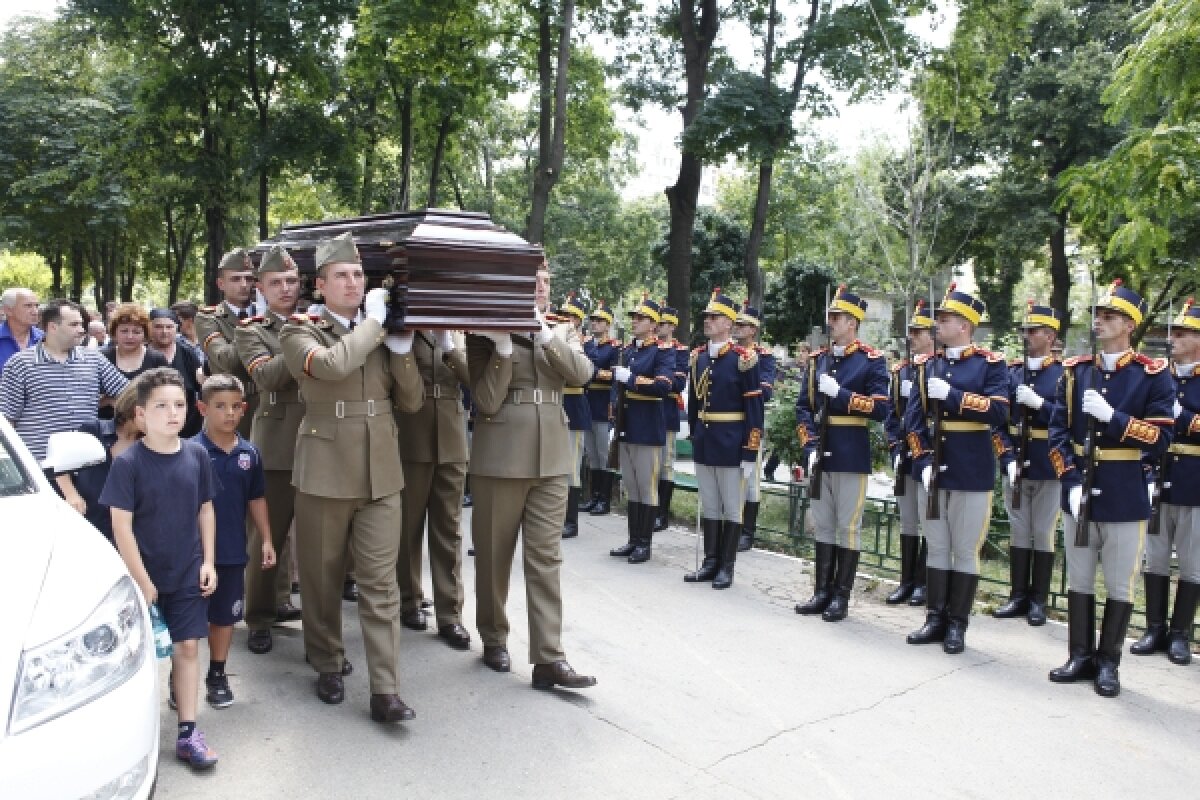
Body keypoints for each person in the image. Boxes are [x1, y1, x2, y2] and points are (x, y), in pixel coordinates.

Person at [279, 231, 424, 723]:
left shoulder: (379, 331)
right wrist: (378, 326)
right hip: (324, 469)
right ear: (320, 285)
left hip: (381, 470)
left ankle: (386, 688)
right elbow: (333, 365)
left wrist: (402, 349)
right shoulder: (300, 330)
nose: (353, 282)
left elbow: (412, 401)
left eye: (359, 274)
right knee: (320, 576)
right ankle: (327, 660)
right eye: (342, 275)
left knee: (381, 584)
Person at [465, 263, 598, 690]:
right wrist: (504, 353)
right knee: (493, 556)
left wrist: (544, 336)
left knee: (545, 558)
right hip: (501, 455)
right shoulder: (485, 332)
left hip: (553, 457)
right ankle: (494, 637)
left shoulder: (560, 330)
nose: (542, 290)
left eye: (545, 284)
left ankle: (548, 658)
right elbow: (484, 401)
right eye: (533, 283)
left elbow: (582, 374)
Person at [1047, 279, 1174, 697]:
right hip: (1081, 488)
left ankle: (1109, 663)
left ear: (1129, 326)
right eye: (1098, 315)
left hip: (1124, 492)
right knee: (1079, 578)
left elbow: (1161, 439)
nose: (1100, 322)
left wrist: (1114, 418)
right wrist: (1068, 479)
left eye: (1110, 316)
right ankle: (1080, 655)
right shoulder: (1076, 372)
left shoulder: (1151, 376)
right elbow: (1058, 433)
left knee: (1119, 583)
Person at [100, 367, 219, 769]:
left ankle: (188, 732)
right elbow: (122, 526)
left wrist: (209, 562)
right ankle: (131, 735)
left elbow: (206, 509)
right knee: (142, 658)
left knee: (188, 647)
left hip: (187, 570)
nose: (173, 413)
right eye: (162, 406)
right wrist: (142, 580)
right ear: (140, 415)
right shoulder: (128, 463)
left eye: (180, 405)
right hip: (143, 577)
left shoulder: (198, 454)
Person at [903, 284, 1008, 654]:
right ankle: (935, 617)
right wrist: (922, 460)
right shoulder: (927, 366)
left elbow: (999, 411)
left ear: (965, 325)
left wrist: (955, 398)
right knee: (936, 546)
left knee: (964, 549)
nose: (937, 326)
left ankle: (957, 624)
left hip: (971, 469)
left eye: (944, 320)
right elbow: (913, 421)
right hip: (934, 469)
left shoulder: (991, 365)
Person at [794, 286, 890, 621]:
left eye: (837, 317)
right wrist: (808, 446)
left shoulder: (871, 361)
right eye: (830, 316)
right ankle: (821, 591)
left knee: (848, 527)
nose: (831, 322)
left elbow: (881, 409)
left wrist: (844, 395)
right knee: (822, 525)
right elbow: (802, 408)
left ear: (853, 322)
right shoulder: (819, 360)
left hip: (851, 453)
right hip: (822, 452)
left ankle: (841, 597)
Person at [234, 244, 306, 653]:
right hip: (277, 444)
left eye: (291, 281)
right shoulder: (251, 330)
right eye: (276, 282)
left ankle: (296, 608)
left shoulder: (315, 322)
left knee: (314, 542)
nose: (285, 288)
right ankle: (258, 615)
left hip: (320, 442)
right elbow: (269, 378)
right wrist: (305, 350)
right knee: (267, 536)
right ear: (260, 287)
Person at [194, 374, 275, 709]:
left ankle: (217, 673)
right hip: (192, 554)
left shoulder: (249, 453)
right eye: (220, 406)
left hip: (231, 550)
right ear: (202, 408)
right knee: (188, 619)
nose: (229, 413)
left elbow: (256, 499)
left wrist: (267, 539)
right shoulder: (189, 451)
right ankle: (178, 678)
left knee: (224, 618)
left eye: (236, 406)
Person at [394, 327, 473, 647]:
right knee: (407, 528)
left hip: (452, 437)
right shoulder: (402, 330)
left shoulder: (457, 333)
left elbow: (473, 378)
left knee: (448, 530)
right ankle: (409, 599)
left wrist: (449, 344)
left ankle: (450, 614)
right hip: (412, 435)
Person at [1132, 297, 1200, 665]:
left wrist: (1184, 417)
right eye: (1173, 332)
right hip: (1158, 479)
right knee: (1154, 557)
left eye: (1184, 332)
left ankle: (1180, 635)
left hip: (1194, 484)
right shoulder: (1160, 377)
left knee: (1192, 562)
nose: (1173, 338)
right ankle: (1154, 627)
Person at [683, 289, 764, 590]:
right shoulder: (699, 358)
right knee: (711, 505)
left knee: (732, 507)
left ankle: (726, 567)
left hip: (732, 442)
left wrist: (750, 450)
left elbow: (754, 408)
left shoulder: (744, 359)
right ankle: (709, 561)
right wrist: (694, 434)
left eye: (714, 317)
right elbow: (694, 402)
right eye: (706, 316)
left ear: (729, 324)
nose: (708, 321)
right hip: (705, 440)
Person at [992, 301, 1064, 626]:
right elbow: (997, 422)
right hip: (1017, 463)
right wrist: (1005, 457)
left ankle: (1039, 601)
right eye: (1025, 330)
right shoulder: (1012, 372)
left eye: (1033, 330)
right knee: (1019, 532)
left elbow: (1068, 421)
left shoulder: (1062, 376)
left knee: (1042, 532)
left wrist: (1042, 406)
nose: (1027, 335)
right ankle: (1018, 595)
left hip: (1048, 464)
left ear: (1050, 336)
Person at [0, 299, 128, 461]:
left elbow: (128, 394)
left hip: (87, 462)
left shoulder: (93, 359)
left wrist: (106, 401)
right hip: (41, 462)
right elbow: (7, 418)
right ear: (53, 327)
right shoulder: (20, 363)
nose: (82, 330)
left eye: (81, 324)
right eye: (74, 325)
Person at [608, 296, 674, 563]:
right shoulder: (630, 351)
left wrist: (632, 379)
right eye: (634, 317)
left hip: (647, 427)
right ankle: (632, 539)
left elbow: (663, 386)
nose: (634, 321)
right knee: (632, 486)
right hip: (627, 426)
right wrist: (615, 423)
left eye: (640, 318)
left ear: (654, 325)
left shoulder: (663, 352)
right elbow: (617, 391)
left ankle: (644, 544)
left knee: (646, 487)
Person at [883, 300, 934, 606]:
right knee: (908, 520)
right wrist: (894, 448)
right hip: (905, 454)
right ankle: (906, 580)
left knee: (928, 520)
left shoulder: (938, 369)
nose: (912, 337)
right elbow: (891, 415)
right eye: (911, 332)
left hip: (928, 454)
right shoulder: (901, 371)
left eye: (918, 331)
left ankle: (923, 583)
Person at [196, 248, 260, 437]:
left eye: (249, 279)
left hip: (266, 408)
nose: (244, 285)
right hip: (227, 410)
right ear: (220, 284)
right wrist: (254, 324)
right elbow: (226, 360)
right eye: (236, 279)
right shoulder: (209, 318)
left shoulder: (265, 315)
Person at [733, 301, 776, 551]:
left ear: (753, 330)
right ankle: (732, 526)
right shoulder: (729, 353)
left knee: (750, 480)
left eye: (743, 325)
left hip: (751, 423)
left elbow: (766, 390)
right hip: (727, 422)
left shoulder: (764, 357)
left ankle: (747, 532)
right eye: (736, 324)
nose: (737, 328)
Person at [553, 294, 592, 538]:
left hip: (575, 405)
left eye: (572, 317)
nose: (567, 320)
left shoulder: (582, 343)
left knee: (571, 468)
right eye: (565, 316)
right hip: (557, 402)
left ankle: (571, 521)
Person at [580, 300, 621, 515]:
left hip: (604, 402)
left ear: (608, 324)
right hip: (588, 401)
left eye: (599, 321)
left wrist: (613, 403)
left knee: (603, 453)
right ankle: (593, 496)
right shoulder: (586, 345)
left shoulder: (614, 347)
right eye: (593, 320)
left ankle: (604, 499)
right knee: (592, 453)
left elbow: (614, 376)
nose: (594, 324)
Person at [652, 303, 689, 532]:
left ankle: (661, 514)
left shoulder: (680, 351)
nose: (659, 327)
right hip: (648, 411)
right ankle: (649, 509)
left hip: (666, 411)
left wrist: (658, 381)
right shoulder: (651, 348)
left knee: (665, 464)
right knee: (650, 465)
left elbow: (679, 383)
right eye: (658, 322)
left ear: (672, 326)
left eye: (664, 323)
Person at [149, 308, 205, 438]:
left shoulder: (187, 353)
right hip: (152, 427)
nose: (164, 332)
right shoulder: (143, 354)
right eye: (158, 327)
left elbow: (201, 384)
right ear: (150, 328)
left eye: (169, 327)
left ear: (176, 329)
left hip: (188, 426)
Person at [102, 303, 170, 382]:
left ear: (145, 334)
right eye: (124, 331)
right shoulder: (103, 357)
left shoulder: (157, 359)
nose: (130, 336)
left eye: (136, 332)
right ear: (114, 332)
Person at [0, 287, 43, 373]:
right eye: (28, 306)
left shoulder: (46, 339)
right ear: (8, 310)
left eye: (36, 306)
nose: (35, 312)